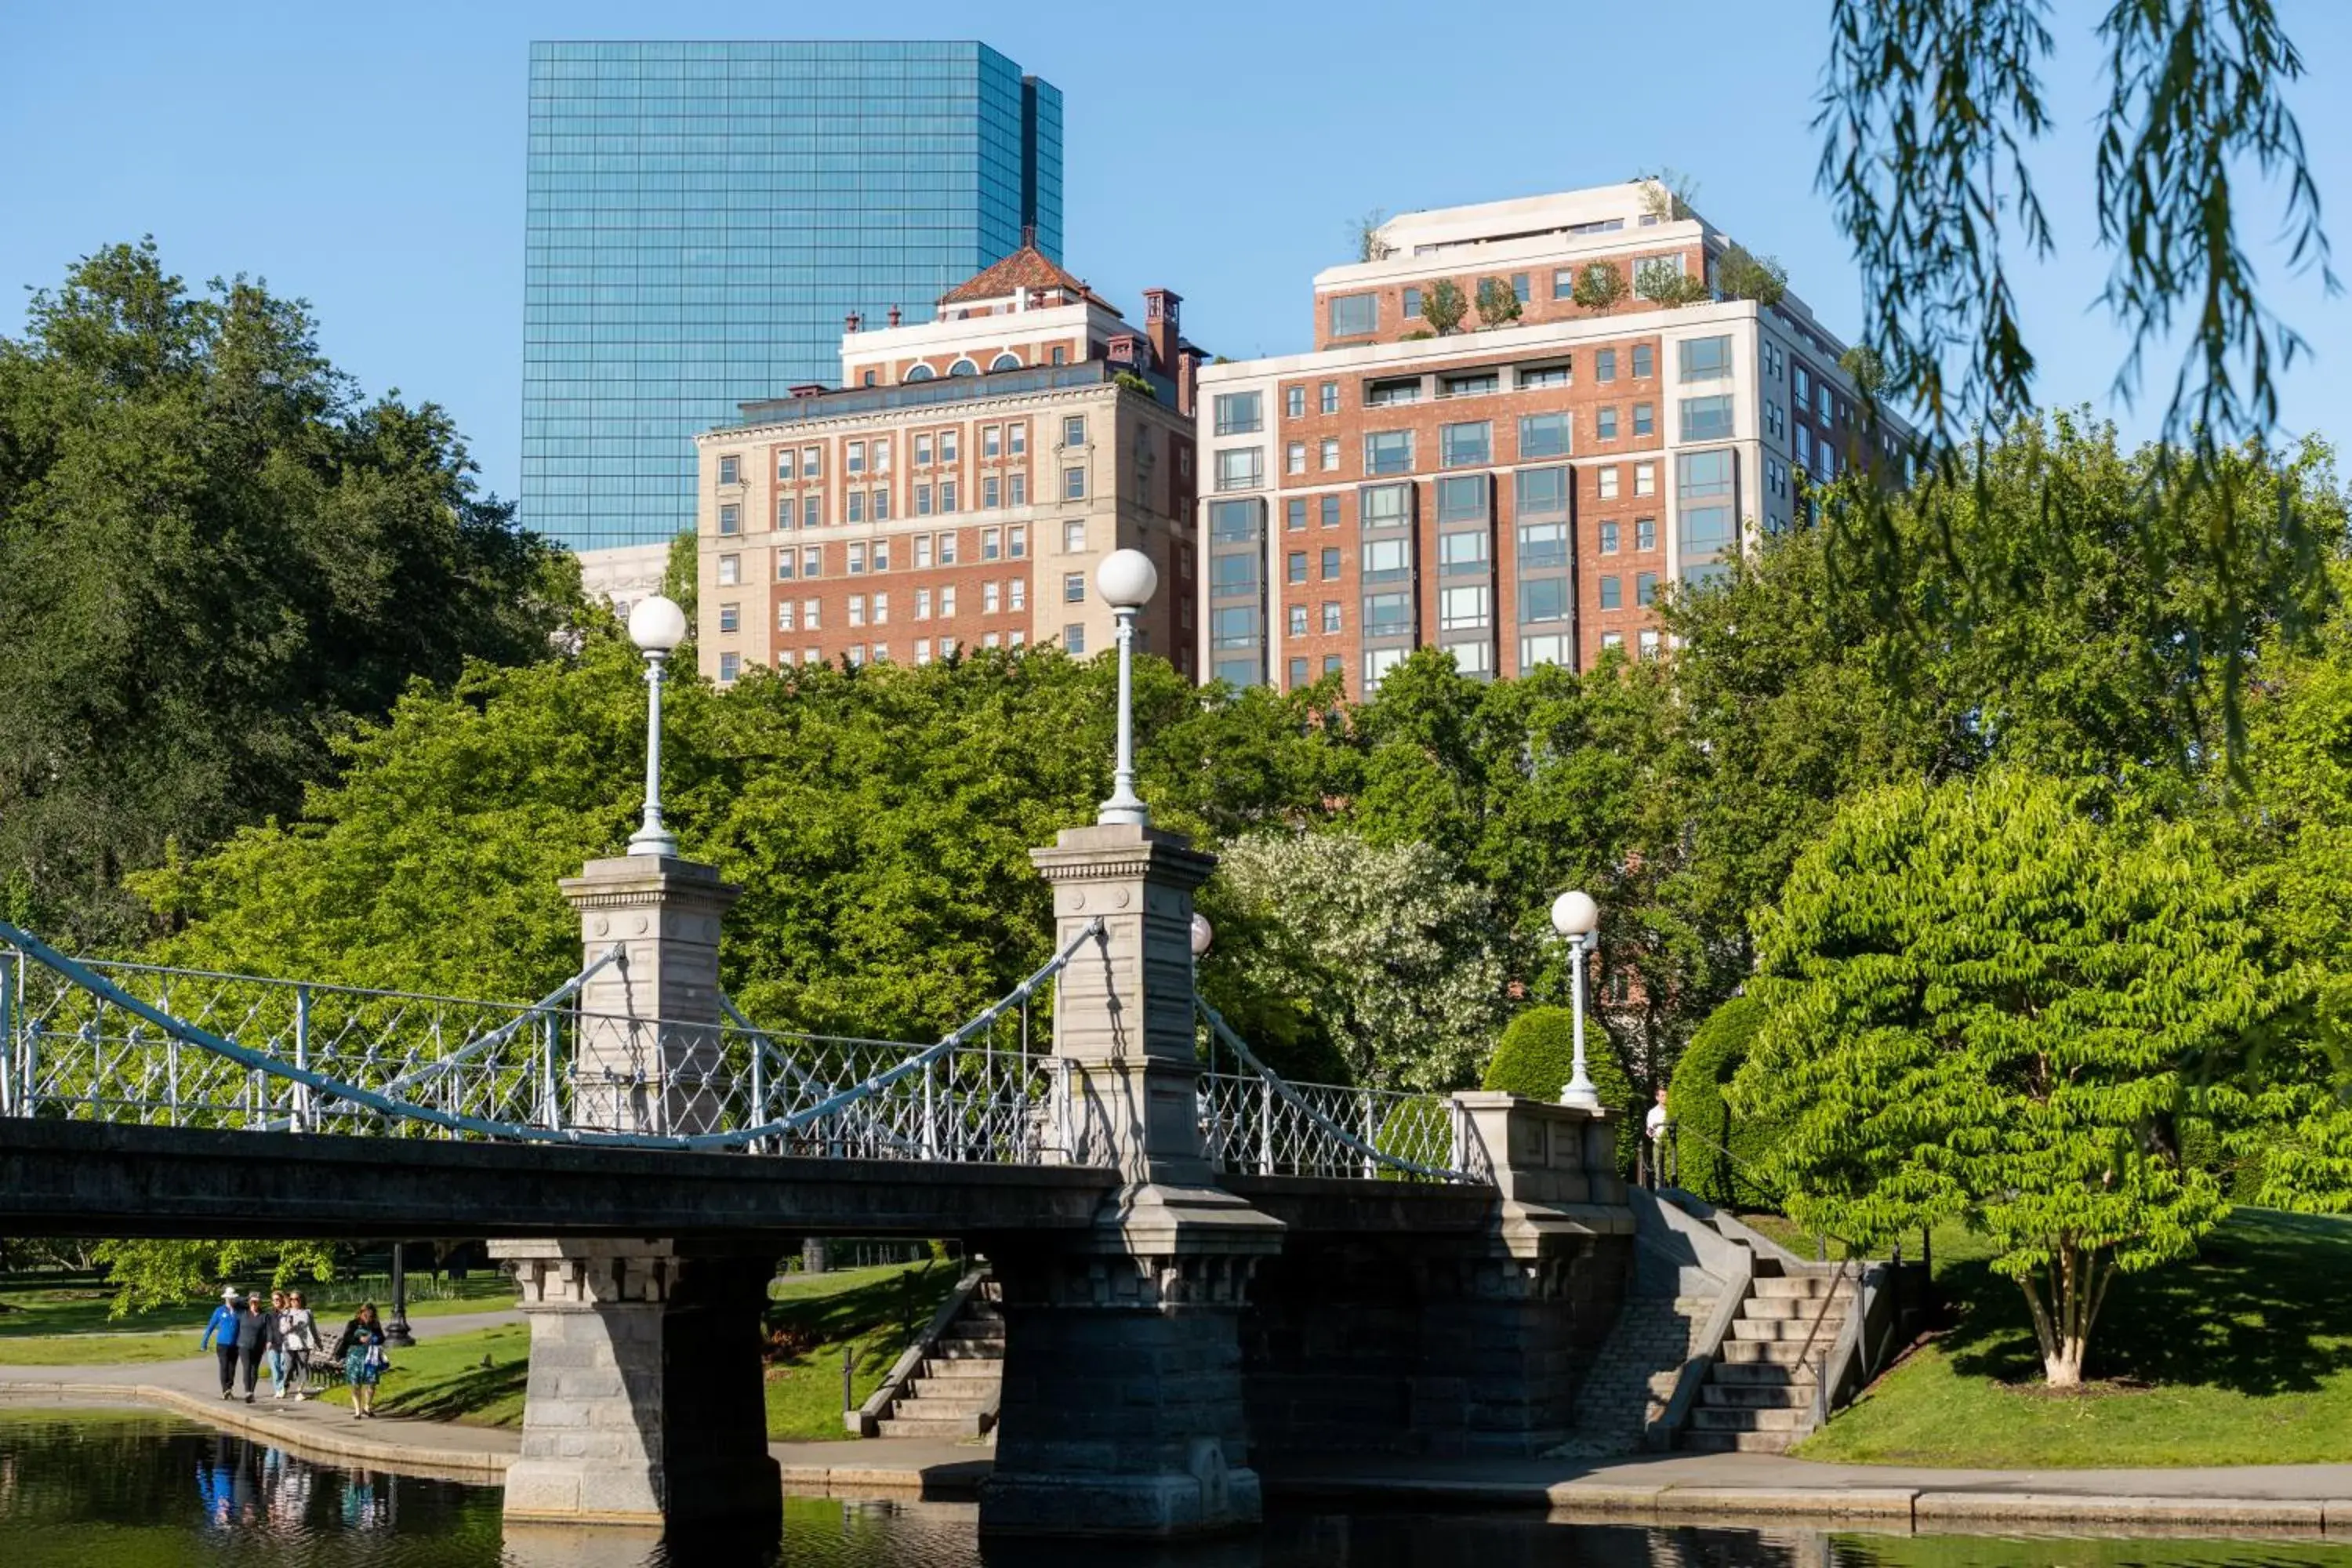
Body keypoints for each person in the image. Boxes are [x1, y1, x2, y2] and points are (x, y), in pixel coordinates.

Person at [333, 1302, 389, 1420]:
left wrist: (375, 1338)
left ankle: (367, 1406)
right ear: (360, 1313)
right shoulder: (353, 1324)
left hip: (370, 1357)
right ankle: (357, 1410)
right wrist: (360, 1339)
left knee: (371, 1382)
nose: (368, 1318)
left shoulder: (375, 1325)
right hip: (355, 1356)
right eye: (365, 1315)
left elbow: (382, 1338)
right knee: (355, 1383)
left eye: (371, 1316)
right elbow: (347, 1338)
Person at [199, 1287, 242, 1399]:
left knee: (232, 1368)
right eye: (228, 1298)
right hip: (222, 1344)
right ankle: (225, 1390)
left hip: (235, 1344)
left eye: (232, 1298)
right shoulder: (219, 1311)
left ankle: (229, 1387)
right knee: (224, 1366)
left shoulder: (239, 1311)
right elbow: (210, 1327)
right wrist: (204, 1342)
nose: (230, 1300)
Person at [278, 1290, 318, 1400]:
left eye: (296, 1299)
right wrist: (289, 1326)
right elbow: (282, 1330)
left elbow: (313, 1328)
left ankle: (300, 1391)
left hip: (304, 1345)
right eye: (291, 1299)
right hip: (289, 1344)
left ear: (301, 1300)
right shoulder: (286, 1313)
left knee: (302, 1367)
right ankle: (285, 1387)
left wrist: (318, 1342)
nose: (293, 1302)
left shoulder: (307, 1312)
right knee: (289, 1367)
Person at [234, 1291, 271, 1403]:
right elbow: (236, 1302)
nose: (254, 1304)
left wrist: (268, 1341)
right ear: (249, 1303)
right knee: (247, 1367)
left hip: (258, 1345)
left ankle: (252, 1391)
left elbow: (268, 1330)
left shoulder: (264, 1315)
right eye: (252, 1302)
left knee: (254, 1369)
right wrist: (248, 1297)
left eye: (256, 1302)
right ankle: (247, 1391)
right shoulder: (244, 1313)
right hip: (244, 1345)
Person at [1644, 1086, 1671, 1189]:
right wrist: (1655, 1134)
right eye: (1663, 1096)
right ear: (1657, 1098)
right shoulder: (1652, 1113)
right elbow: (1649, 1130)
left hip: (1670, 1142)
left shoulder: (1671, 1110)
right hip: (1658, 1142)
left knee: (1670, 1168)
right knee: (1658, 1168)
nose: (1665, 1098)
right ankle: (1659, 1192)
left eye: (1666, 1095)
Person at [263, 1290, 289, 1398]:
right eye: (274, 1300)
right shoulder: (270, 1314)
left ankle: (284, 1386)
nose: (276, 1301)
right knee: (275, 1367)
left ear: (282, 1299)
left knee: (284, 1366)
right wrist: (268, 1341)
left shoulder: (287, 1312)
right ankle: (278, 1388)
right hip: (273, 1343)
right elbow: (268, 1329)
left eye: (278, 1299)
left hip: (285, 1343)